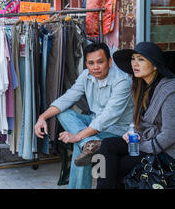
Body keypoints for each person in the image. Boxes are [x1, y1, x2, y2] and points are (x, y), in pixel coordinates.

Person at [34, 42, 134, 189]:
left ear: (110, 61)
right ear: (86, 64)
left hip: (117, 129)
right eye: (91, 63)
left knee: (79, 147)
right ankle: (91, 143)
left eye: (100, 62)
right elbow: (68, 98)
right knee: (65, 112)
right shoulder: (86, 75)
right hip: (94, 123)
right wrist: (42, 117)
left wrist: (78, 136)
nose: (96, 67)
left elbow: (108, 117)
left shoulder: (122, 81)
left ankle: (88, 144)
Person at [96, 41, 175, 189]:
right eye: (133, 59)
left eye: (141, 59)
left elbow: (170, 135)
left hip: (165, 153)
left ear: (155, 65)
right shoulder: (140, 87)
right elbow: (140, 123)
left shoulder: (170, 91)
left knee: (112, 166)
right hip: (145, 141)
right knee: (106, 146)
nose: (135, 64)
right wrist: (131, 133)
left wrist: (141, 145)